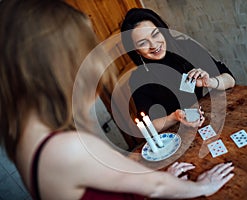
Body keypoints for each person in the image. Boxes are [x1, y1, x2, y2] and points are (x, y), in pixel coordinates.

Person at [0, 0, 234, 199]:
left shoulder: (20, 138)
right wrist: (200, 186)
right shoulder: (66, 148)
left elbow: (115, 175)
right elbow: (154, 184)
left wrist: (211, 82)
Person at [121, 8, 235, 132]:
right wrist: (175, 117)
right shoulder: (139, 78)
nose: (153, 45)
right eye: (143, 43)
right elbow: (149, 125)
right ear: (136, 50)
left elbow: (229, 79)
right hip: (175, 133)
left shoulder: (187, 48)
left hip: (205, 120)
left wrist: (209, 82)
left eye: (155, 34)